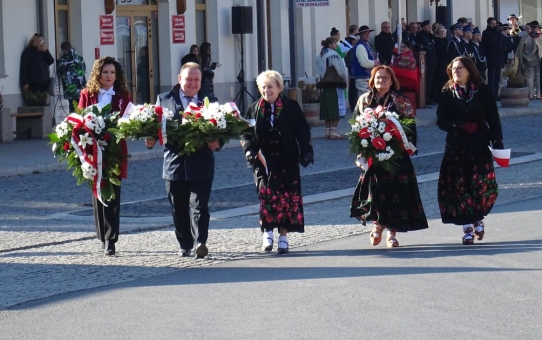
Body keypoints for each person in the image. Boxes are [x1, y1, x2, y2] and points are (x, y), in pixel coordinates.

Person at [145, 62, 220, 259]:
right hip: (174, 164)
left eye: (197, 80)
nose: (193, 83)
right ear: (180, 79)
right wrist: (149, 139)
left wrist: (216, 142)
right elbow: (153, 130)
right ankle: (185, 244)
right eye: (189, 79)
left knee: (199, 206)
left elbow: (220, 131)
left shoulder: (211, 101)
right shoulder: (164, 99)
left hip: (201, 163)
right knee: (178, 208)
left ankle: (200, 242)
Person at [350, 65, 428, 248]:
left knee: (395, 194)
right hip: (373, 156)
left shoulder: (401, 101)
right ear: (372, 80)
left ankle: (392, 233)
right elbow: (355, 126)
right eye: (378, 78)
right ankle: (377, 226)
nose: (381, 81)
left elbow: (409, 127)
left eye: (385, 78)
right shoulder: (364, 100)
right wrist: (362, 150)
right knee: (375, 192)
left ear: (392, 81)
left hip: (396, 156)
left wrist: (397, 143)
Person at [240, 70, 313, 253]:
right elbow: (246, 133)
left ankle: (283, 236)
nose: (267, 90)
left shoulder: (291, 106)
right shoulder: (254, 108)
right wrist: (248, 149)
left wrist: (306, 150)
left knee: (287, 197)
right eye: (263, 87)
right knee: (267, 195)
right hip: (264, 160)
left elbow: (302, 130)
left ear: (279, 87)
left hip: (287, 159)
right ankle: (267, 232)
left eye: (270, 87)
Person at [436, 56, 504, 245]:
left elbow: (493, 117)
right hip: (456, 146)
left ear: (469, 70)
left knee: (479, 185)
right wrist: (460, 126)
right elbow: (441, 120)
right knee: (460, 187)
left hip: (479, 144)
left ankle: (477, 218)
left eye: (460, 68)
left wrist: (497, 140)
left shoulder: (482, 90)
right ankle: (467, 228)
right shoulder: (447, 93)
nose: (456, 71)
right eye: (454, 68)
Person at [78, 56, 132, 256]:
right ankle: (102, 236)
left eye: (112, 72)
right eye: (105, 72)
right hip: (93, 150)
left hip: (115, 150)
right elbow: (80, 119)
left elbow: (128, 122)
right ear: (98, 74)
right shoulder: (88, 94)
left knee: (113, 194)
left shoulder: (123, 96)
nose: (109, 76)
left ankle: (111, 239)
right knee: (98, 193)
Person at [316, 37, 348, 138]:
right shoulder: (333, 55)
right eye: (335, 43)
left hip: (324, 84)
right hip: (334, 84)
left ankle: (327, 131)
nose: (336, 45)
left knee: (327, 109)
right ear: (330, 44)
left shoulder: (320, 55)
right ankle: (333, 132)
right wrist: (344, 79)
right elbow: (340, 70)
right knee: (335, 108)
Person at [56, 41, 86, 112]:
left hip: (69, 88)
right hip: (80, 86)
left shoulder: (62, 60)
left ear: (63, 50)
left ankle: (74, 121)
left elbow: (59, 71)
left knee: (72, 107)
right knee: (82, 105)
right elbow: (84, 69)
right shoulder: (79, 58)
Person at [516, 21, 542, 100]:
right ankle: (537, 94)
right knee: (538, 77)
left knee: (530, 77)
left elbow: (520, 50)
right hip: (538, 59)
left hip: (528, 60)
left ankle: (530, 94)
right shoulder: (540, 37)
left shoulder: (525, 37)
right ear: (537, 27)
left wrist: (521, 59)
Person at [351, 25, 380, 96]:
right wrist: (375, 63)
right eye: (365, 33)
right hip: (362, 78)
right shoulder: (360, 46)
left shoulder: (365, 45)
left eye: (368, 33)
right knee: (365, 99)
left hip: (367, 77)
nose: (367, 35)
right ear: (360, 35)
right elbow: (364, 63)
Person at [482, 17, 505, 99]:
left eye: (495, 24)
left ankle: (496, 93)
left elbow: (503, 42)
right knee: (491, 78)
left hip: (499, 59)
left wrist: (503, 49)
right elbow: (490, 43)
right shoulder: (486, 33)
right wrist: (494, 33)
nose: (495, 26)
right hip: (491, 58)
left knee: (497, 79)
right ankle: (491, 94)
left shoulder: (498, 32)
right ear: (488, 24)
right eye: (493, 24)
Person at [416, 20, 437, 104]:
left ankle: (429, 98)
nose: (429, 28)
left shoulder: (430, 37)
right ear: (423, 27)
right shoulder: (421, 36)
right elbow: (420, 50)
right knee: (426, 82)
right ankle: (425, 99)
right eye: (428, 26)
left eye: (430, 26)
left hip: (432, 62)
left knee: (431, 82)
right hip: (426, 62)